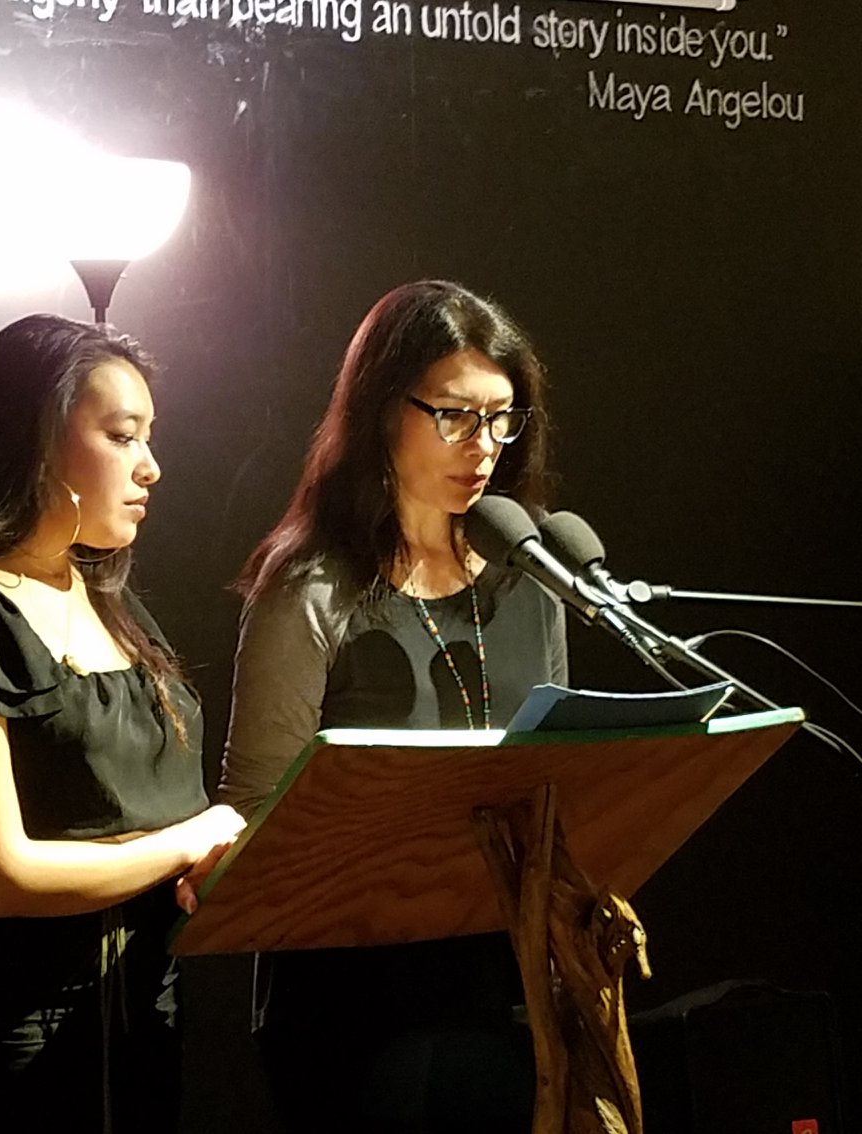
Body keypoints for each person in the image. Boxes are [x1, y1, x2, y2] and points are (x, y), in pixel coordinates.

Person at [0, 314, 245, 1134]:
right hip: (15, 1040)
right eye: (123, 436)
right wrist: (190, 839)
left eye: (149, 438)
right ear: (37, 442)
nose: (151, 467)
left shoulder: (110, 603)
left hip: (144, 1017)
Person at [219, 280, 566, 1133]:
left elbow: (556, 776)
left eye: (501, 416)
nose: (482, 445)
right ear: (383, 410)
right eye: (453, 414)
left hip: (500, 986)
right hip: (349, 1001)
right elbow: (256, 811)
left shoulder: (537, 582)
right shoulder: (313, 589)